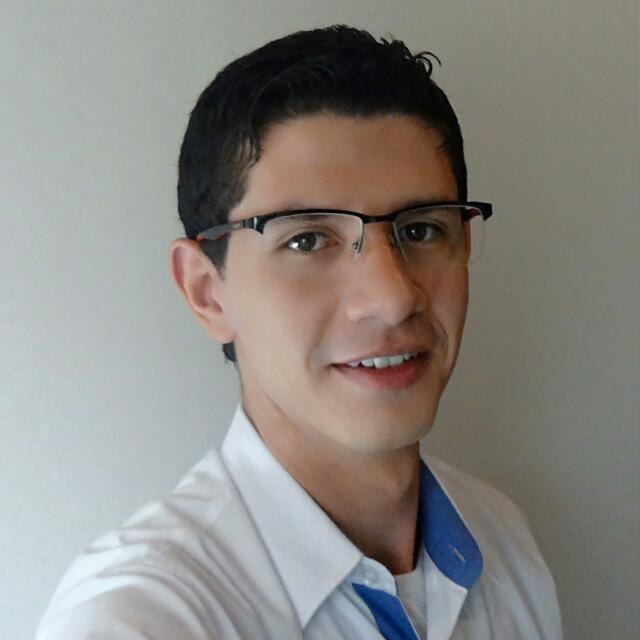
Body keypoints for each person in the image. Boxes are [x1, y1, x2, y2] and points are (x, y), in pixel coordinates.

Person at [37, 25, 562, 639]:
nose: (393, 298)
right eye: (307, 240)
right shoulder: (140, 618)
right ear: (207, 291)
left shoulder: (505, 543)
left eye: (420, 229)